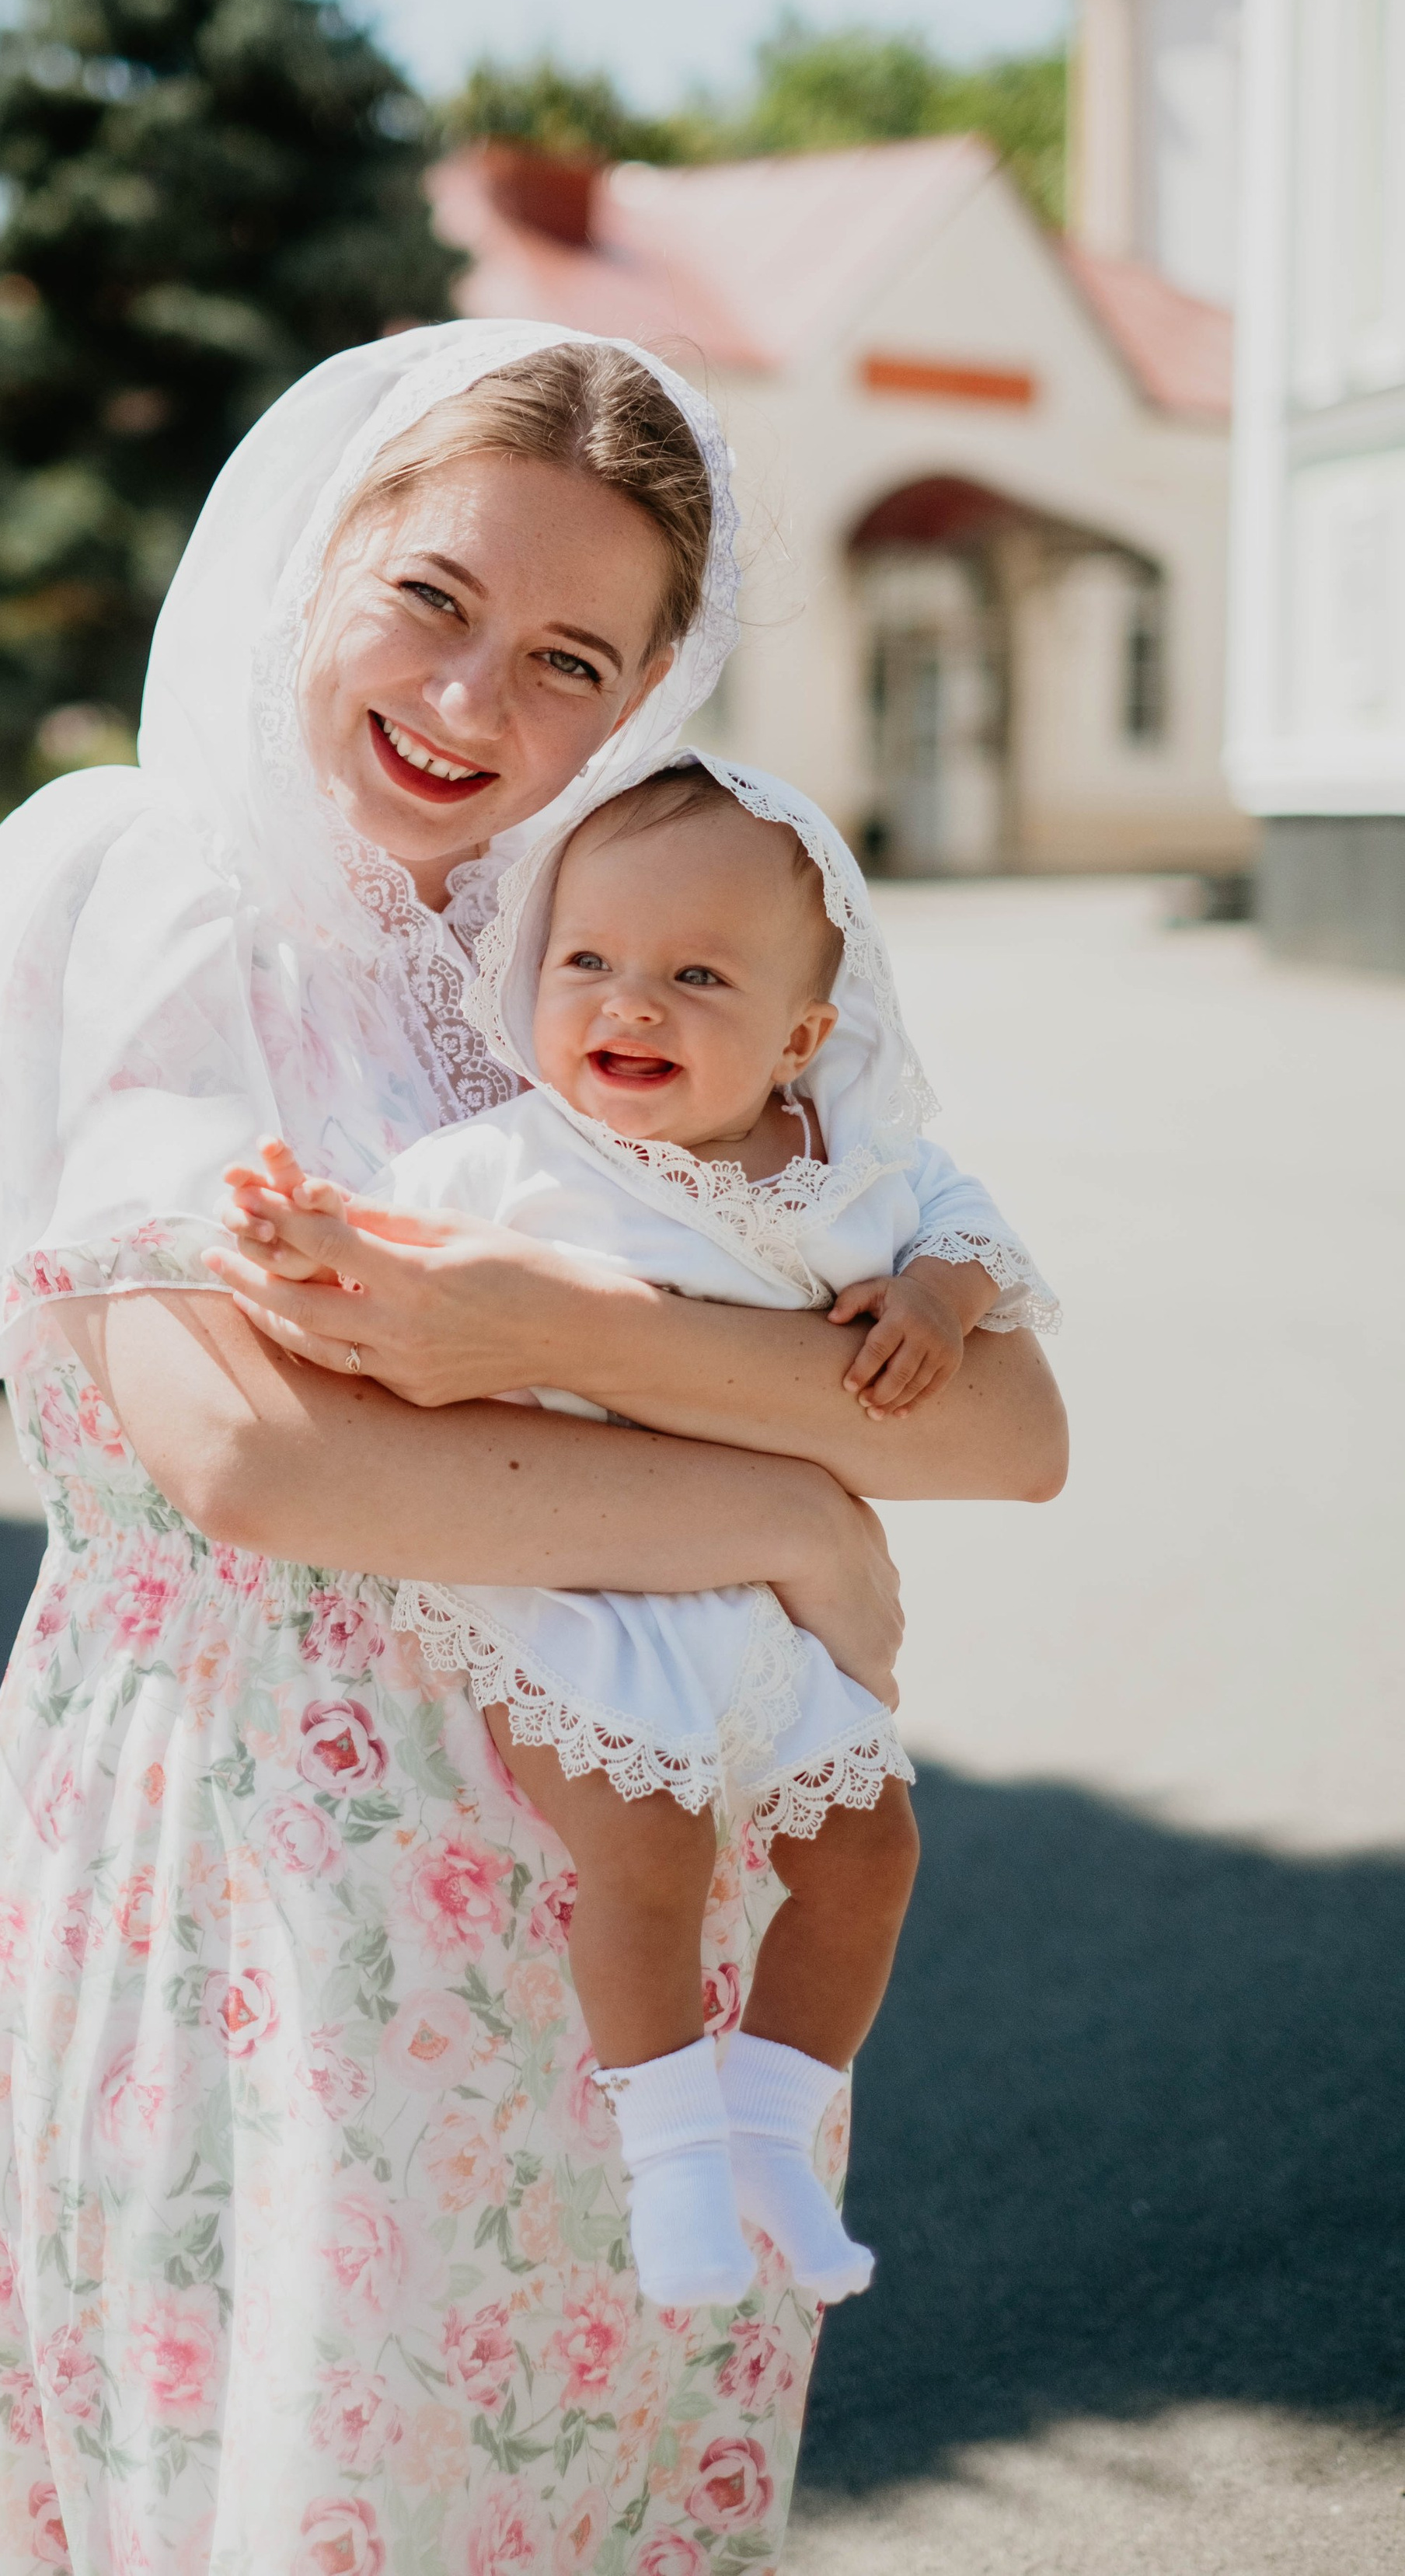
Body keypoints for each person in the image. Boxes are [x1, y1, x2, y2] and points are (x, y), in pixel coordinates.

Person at [0, 326, 1067, 2576]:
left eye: (570, 658)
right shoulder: (156, 884)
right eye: (432, 600)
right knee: (309, 2486)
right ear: (316, 556)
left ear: (654, 691)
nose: (477, 705)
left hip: (624, 1923)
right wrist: (781, 1510)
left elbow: (1003, 1418)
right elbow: (256, 1460)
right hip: (273, 1886)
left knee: (572, 2479)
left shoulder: (611, 928)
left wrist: (542, 1329)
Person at [219, 752, 1058, 2317]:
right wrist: (307, 1234)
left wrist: (939, 1297)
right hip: (585, 1586)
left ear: (803, 1035)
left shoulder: (844, 1169)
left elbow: (969, 1235)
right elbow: (388, 1251)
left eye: (695, 976)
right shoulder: (516, 1159)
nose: (629, 1006)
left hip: (763, 1608)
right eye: (587, 963)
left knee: (868, 1856)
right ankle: (670, 2159)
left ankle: (765, 2129)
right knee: (649, 1854)